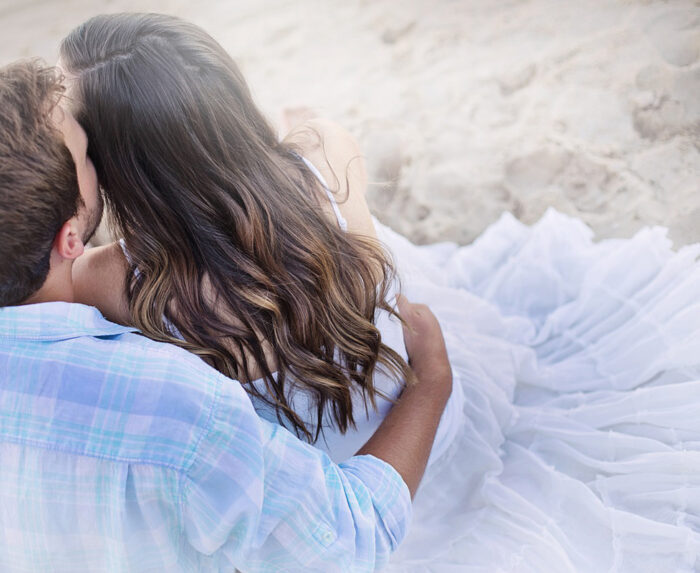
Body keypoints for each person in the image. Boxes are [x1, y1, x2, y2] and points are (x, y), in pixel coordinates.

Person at [60, 13, 700, 572]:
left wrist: (81, 207)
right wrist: (290, 140)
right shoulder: (325, 159)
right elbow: (288, 172)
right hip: (419, 424)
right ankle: (254, 135)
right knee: (326, 186)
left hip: (333, 494)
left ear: (114, 169)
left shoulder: (108, 279)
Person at [0, 59, 453, 572]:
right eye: (84, 151)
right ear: (69, 239)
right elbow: (351, 538)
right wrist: (429, 385)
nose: (93, 151)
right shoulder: (172, 406)